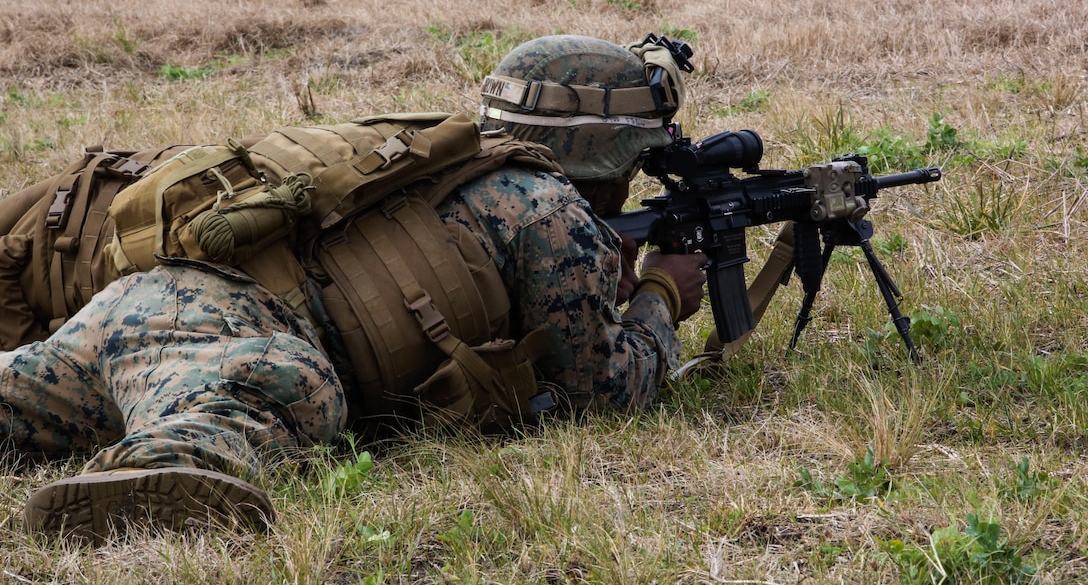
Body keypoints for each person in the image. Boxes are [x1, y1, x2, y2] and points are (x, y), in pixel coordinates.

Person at [0, 34, 708, 543]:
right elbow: (603, 391)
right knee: (294, 385)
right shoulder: (554, 211)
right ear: (611, 152)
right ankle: (168, 464)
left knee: (26, 394)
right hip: (233, 344)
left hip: (144, 303)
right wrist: (660, 296)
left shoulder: (456, 165)